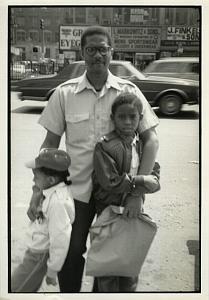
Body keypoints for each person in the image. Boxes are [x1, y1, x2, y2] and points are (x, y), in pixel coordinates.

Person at [27, 25, 159, 292]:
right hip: (75, 193)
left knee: (112, 259)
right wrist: (38, 191)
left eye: (103, 49)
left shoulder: (128, 93)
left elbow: (151, 140)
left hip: (118, 194)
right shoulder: (64, 94)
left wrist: (137, 192)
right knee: (69, 254)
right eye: (91, 50)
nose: (97, 55)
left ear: (111, 52)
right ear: (82, 53)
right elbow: (49, 145)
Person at [91, 92, 160, 292]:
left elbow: (153, 168)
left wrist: (153, 179)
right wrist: (142, 181)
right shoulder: (105, 146)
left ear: (141, 118)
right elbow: (109, 181)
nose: (128, 122)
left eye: (133, 117)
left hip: (133, 211)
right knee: (107, 266)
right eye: (122, 117)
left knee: (129, 264)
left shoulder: (140, 143)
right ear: (113, 119)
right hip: (108, 211)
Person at [11, 148, 75, 292]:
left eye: (36, 177)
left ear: (51, 180)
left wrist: (52, 270)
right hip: (34, 253)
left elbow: (60, 239)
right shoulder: (51, 192)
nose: (33, 180)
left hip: (38, 257)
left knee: (16, 289)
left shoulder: (58, 202)